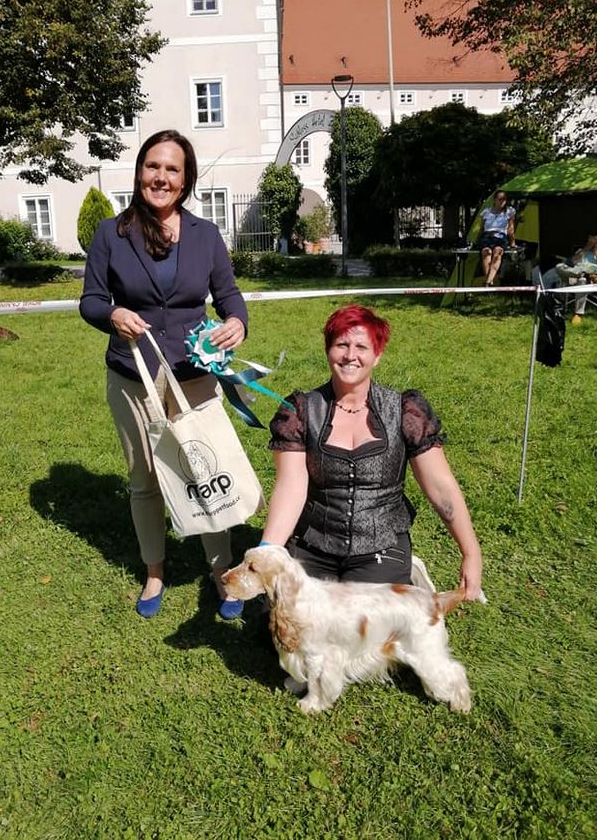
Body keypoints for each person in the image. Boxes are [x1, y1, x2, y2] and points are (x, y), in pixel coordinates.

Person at [80, 130, 248, 620]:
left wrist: (237, 322)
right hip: (133, 375)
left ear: (185, 179)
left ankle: (221, 570)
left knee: (205, 470)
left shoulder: (205, 235)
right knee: (144, 478)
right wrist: (112, 314)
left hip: (194, 373)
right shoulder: (111, 233)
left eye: (172, 169)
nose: (160, 177)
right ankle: (155, 570)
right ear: (139, 172)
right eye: (152, 166)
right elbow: (91, 300)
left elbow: (228, 295)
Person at [258, 304, 482, 600]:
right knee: (297, 621)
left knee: (363, 622)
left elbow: (440, 486)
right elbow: (290, 487)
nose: (350, 355)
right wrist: (266, 553)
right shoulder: (301, 410)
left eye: (361, 347)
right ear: (328, 350)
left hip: (382, 546)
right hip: (313, 544)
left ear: (377, 355)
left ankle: (402, 571)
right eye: (341, 345)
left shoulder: (405, 410)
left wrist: (470, 552)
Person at [555, 234, 597, 326]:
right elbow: (571, 263)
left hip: (591, 280)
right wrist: (586, 248)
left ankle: (577, 314)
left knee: (582, 280)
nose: (595, 244)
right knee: (559, 266)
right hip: (573, 278)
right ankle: (581, 273)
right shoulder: (582, 251)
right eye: (593, 241)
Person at [477, 190, 517, 287]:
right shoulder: (486, 212)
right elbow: (481, 228)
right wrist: (477, 240)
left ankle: (488, 281)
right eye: (500, 199)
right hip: (487, 236)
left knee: (497, 252)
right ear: (494, 200)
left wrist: (512, 243)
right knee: (486, 253)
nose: (502, 201)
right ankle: (490, 281)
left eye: (504, 199)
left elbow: (510, 229)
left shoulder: (509, 211)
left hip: (500, 237)